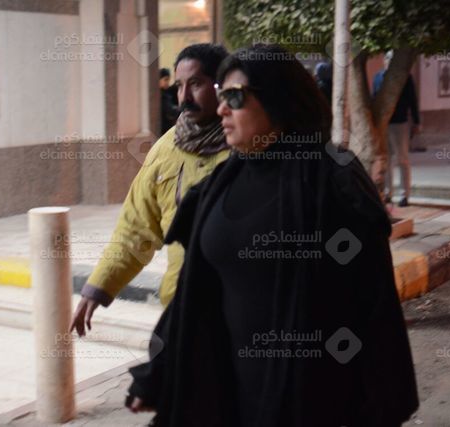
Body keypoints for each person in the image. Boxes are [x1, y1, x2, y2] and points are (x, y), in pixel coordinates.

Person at [127, 44, 418, 426]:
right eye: (220, 95)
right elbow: (196, 294)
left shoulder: (332, 181)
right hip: (226, 397)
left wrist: (382, 405)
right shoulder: (219, 184)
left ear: (278, 100)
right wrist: (160, 372)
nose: (222, 109)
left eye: (234, 97)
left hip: (311, 401)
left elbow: (373, 303)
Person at [69, 44, 230, 336]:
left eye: (196, 84)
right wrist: (99, 287)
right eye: (179, 86)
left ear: (222, 86)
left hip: (239, 315)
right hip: (181, 311)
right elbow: (136, 229)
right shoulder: (165, 150)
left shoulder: (248, 147)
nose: (184, 97)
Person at [373, 51, 421, 207]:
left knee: (402, 158)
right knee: (386, 159)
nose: (389, 61)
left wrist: (416, 121)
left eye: (392, 58)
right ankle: (388, 193)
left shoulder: (405, 77)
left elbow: (413, 100)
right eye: (387, 58)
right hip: (383, 123)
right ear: (384, 60)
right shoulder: (378, 77)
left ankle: (404, 194)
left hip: (399, 122)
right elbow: (374, 97)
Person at [160, 68, 179, 133]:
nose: (168, 82)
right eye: (165, 79)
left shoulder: (167, 92)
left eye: (168, 79)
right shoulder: (161, 96)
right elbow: (171, 110)